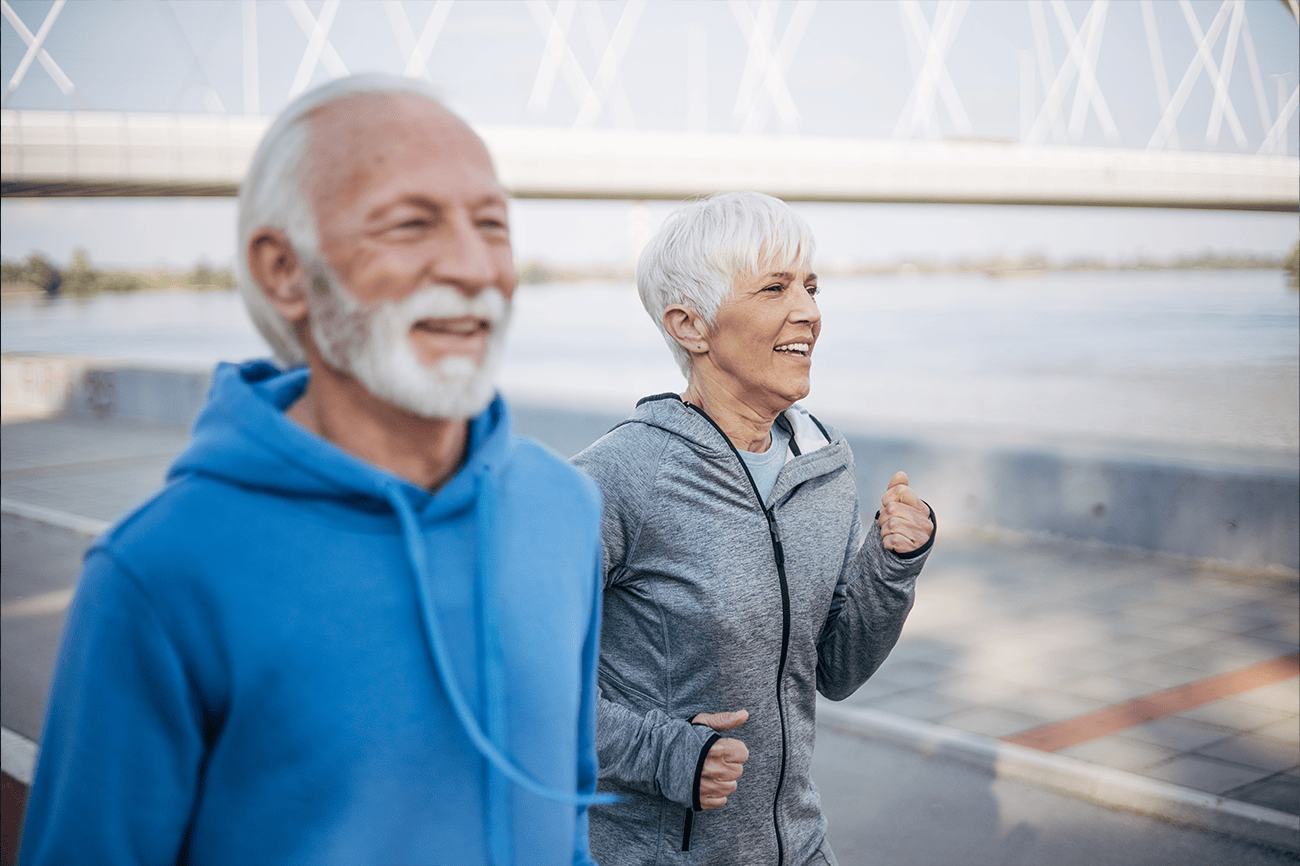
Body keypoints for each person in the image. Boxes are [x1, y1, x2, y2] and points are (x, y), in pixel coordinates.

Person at [21, 74, 606, 866]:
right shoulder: (158, 573)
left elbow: (568, 821)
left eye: (492, 223)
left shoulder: (562, 507)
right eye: (411, 224)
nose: (473, 266)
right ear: (284, 271)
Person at [572, 191, 935, 865]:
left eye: (811, 285)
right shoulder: (617, 478)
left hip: (797, 846)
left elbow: (835, 668)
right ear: (691, 326)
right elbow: (515, 681)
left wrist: (890, 565)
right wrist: (669, 752)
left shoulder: (826, 466)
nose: (809, 311)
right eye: (774, 288)